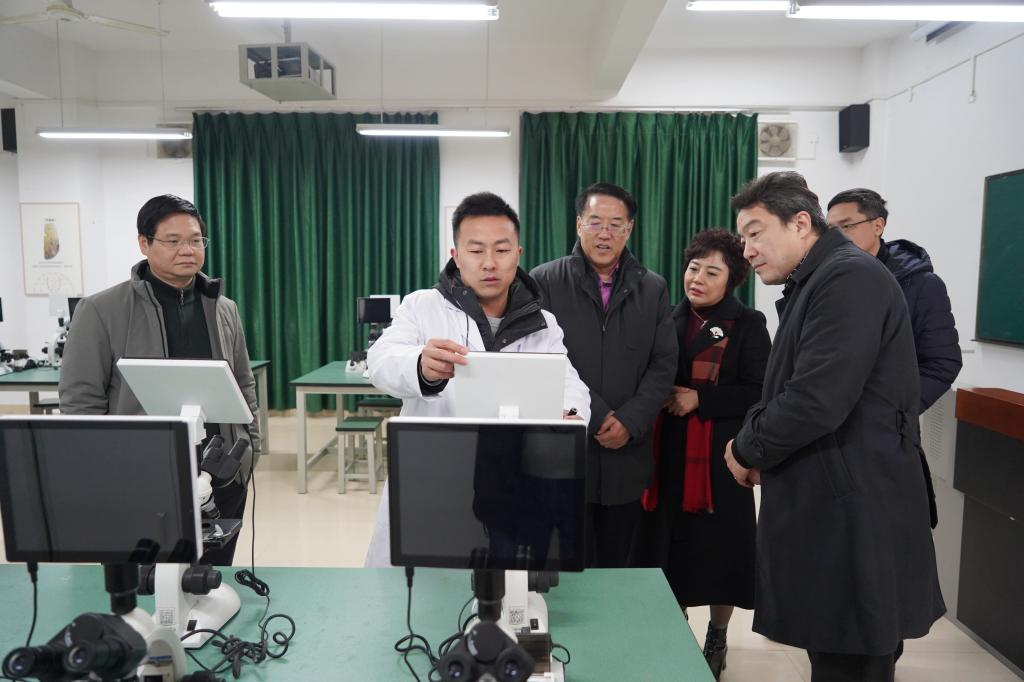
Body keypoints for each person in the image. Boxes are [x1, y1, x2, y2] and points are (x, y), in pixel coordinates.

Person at [724, 172, 944, 682]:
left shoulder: (848, 278)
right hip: (839, 497)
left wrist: (746, 448)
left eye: (755, 233)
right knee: (838, 652)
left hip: (854, 506)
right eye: (743, 238)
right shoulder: (821, 279)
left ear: (801, 223)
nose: (747, 250)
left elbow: (815, 399)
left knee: (853, 659)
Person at [364, 191, 591, 567]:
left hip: (513, 481)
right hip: (438, 474)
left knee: (505, 584)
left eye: (501, 250)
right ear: (456, 255)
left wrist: (569, 413)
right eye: (476, 250)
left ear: (518, 254)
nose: (489, 263)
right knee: (427, 585)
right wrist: (420, 366)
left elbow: (569, 382)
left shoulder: (543, 323)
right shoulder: (422, 307)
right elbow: (381, 361)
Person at [59, 194, 262, 566]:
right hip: (138, 477)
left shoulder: (224, 308)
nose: (187, 250)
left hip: (220, 473)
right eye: (173, 241)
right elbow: (80, 400)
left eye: (196, 240)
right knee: (145, 580)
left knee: (211, 578)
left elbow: (243, 383)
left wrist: (250, 450)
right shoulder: (101, 310)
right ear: (144, 243)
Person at [633, 229, 770, 680]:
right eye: (694, 268)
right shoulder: (666, 318)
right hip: (668, 453)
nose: (698, 279)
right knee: (669, 550)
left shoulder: (746, 324)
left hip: (720, 458)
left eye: (712, 272)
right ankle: (676, 632)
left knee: (720, 553)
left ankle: (718, 634)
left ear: (732, 279)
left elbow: (760, 390)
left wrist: (700, 399)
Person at [531, 182, 677, 568]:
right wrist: (595, 415)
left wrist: (630, 420)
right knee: (565, 565)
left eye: (615, 224)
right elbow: (541, 358)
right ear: (579, 224)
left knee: (618, 564)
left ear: (630, 229)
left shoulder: (652, 288)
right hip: (566, 448)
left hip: (627, 452)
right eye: (595, 222)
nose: (604, 234)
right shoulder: (544, 281)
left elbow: (663, 363)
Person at [827, 187, 962, 529]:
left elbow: (943, 361)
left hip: (887, 434)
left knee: (886, 529)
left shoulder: (920, 284)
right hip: (828, 428)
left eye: (847, 226)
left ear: (878, 225)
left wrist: (896, 410)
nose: (837, 237)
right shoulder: (828, 281)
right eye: (830, 229)